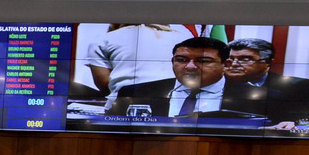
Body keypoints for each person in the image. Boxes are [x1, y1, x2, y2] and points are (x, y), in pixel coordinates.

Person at [106, 37, 266, 118]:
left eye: (203, 61)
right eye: (181, 60)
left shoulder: (262, 98)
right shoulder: (135, 92)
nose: (190, 67)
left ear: (226, 64)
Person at [225, 38, 309, 131]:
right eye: (230, 59)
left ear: (267, 62)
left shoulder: (296, 86)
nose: (234, 64)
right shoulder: (219, 84)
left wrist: (296, 124)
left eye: (245, 59)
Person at [85, 24, 194, 108]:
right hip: (180, 110)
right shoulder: (186, 38)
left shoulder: (103, 40)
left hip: (124, 110)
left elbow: (105, 85)